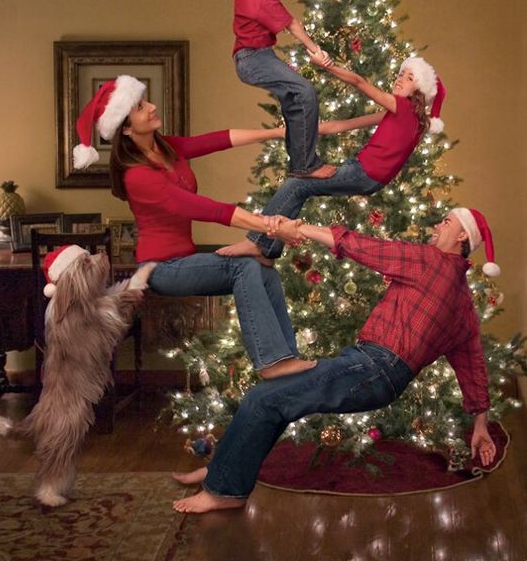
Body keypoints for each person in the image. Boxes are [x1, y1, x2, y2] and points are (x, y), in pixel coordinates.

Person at [172, 207, 500, 513]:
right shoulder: (463, 304)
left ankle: (223, 492)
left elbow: (363, 247)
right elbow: (472, 365)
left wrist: (299, 228)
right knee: (280, 400)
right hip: (381, 375)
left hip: (374, 366)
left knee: (262, 398)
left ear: (461, 237)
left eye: (447, 222)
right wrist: (481, 425)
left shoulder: (431, 261)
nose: (437, 225)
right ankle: (220, 471)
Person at [72, 74, 312, 380]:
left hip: (186, 258)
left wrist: (278, 132)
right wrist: (269, 226)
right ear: (127, 128)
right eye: (141, 106)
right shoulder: (137, 176)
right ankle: (271, 363)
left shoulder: (165, 148)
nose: (152, 106)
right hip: (162, 269)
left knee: (264, 270)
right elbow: (204, 209)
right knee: (246, 267)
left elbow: (216, 140)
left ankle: (287, 358)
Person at [218, 55, 446, 260]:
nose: (400, 79)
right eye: (400, 74)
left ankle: (257, 242)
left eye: (409, 77)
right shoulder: (401, 114)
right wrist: (302, 128)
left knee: (297, 184)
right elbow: (339, 126)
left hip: (364, 173)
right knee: (301, 189)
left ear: (421, 91)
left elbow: (359, 82)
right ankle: (269, 247)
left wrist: (327, 65)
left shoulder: (403, 107)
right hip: (365, 174)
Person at [217, 0, 341, 179]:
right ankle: (306, 165)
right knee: (304, 91)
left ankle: (300, 166)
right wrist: (317, 51)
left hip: (258, 56)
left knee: (295, 102)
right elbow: (292, 25)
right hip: (253, 59)